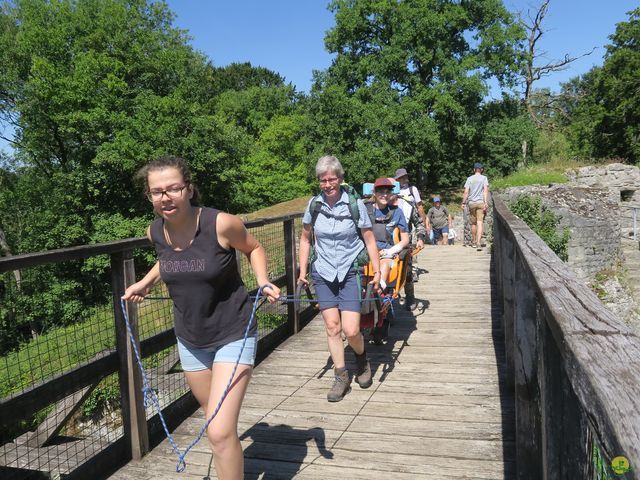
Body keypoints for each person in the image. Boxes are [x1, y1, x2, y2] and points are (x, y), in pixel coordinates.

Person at [122, 155, 280, 479]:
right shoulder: (154, 232)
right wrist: (146, 281)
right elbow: (168, 260)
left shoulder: (221, 223)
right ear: (149, 197)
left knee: (220, 431)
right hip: (190, 340)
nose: (165, 197)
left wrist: (262, 280)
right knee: (215, 426)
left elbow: (254, 248)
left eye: (173, 188)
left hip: (233, 332)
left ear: (189, 189)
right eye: (157, 192)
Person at [298, 156, 380, 402]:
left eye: (331, 179)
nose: (327, 184)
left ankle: (362, 358)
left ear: (340, 179)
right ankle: (341, 376)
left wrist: (377, 270)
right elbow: (305, 239)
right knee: (333, 327)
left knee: (351, 329)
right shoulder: (314, 205)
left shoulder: (354, 204)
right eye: (323, 180)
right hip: (322, 271)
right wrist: (302, 271)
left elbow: (369, 238)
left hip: (349, 271)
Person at [369, 177, 410, 288]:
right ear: (374, 193)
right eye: (381, 192)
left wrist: (391, 251)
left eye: (388, 192)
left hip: (386, 253)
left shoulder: (397, 212)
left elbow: (406, 238)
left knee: (385, 264)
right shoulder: (365, 210)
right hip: (366, 252)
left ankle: (379, 292)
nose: (385, 195)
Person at [389, 192, 426, 310]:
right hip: (384, 243)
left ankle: (410, 297)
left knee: (407, 271)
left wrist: (420, 238)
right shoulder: (376, 204)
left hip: (404, 243)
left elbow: (419, 223)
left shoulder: (408, 204)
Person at [461, 162, 489, 251]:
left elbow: (466, 192)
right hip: (481, 202)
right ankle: (478, 243)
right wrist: (485, 202)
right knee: (480, 222)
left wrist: (463, 203)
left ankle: (473, 241)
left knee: (473, 223)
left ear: (474, 170)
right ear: (481, 170)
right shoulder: (484, 178)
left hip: (472, 203)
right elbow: (485, 191)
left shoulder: (469, 179)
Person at [394, 168, 429, 233]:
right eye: (402, 177)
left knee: (407, 240)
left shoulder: (413, 189)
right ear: (397, 179)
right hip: (395, 221)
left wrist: (424, 225)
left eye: (406, 176)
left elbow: (420, 207)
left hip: (408, 220)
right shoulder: (393, 190)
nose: (405, 178)